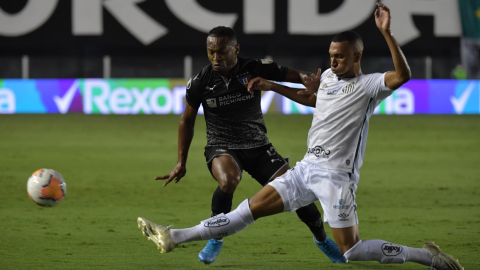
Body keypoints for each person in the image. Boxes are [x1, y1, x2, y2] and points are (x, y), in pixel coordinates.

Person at [138, 4, 464, 269]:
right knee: (243, 213)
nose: (333, 61)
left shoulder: (370, 86)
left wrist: (387, 33)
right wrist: (271, 86)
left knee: (352, 251)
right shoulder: (329, 81)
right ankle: (173, 236)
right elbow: (311, 98)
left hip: (337, 178)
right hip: (307, 170)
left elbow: (403, 75)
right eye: (331, 55)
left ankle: (426, 256)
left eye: (339, 57)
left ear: (356, 58)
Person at [153, 26, 346, 264]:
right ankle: (216, 237)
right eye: (211, 52)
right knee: (229, 180)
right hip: (221, 146)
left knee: (299, 194)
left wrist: (321, 83)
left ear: (236, 49)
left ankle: (322, 240)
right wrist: (180, 162)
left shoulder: (255, 67)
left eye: (222, 51)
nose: (216, 57)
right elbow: (186, 121)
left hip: (259, 147)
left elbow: (299, 76)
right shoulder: (200, 82)